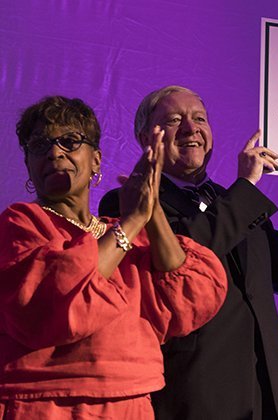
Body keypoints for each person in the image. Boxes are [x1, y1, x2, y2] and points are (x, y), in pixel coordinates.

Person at [99, 85, 278, 419]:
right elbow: (182, 262)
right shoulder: (130, 201)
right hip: (196, 392)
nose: (191, 129)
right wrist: (245, 188)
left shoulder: (235, 200)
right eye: (175, 120)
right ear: (145, 137)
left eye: (199, 119)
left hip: (269, 390)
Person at [0, 96, 227, 419]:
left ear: (96, 160)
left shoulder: (120, 234)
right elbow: (57, 299)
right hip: (46, 405)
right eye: (39, 146)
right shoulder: (21, 223)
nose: (54, 153)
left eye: (69, 141)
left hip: (130, 404)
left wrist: (151, 208)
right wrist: (132, 220)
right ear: (28, 165)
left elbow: (188, 299)